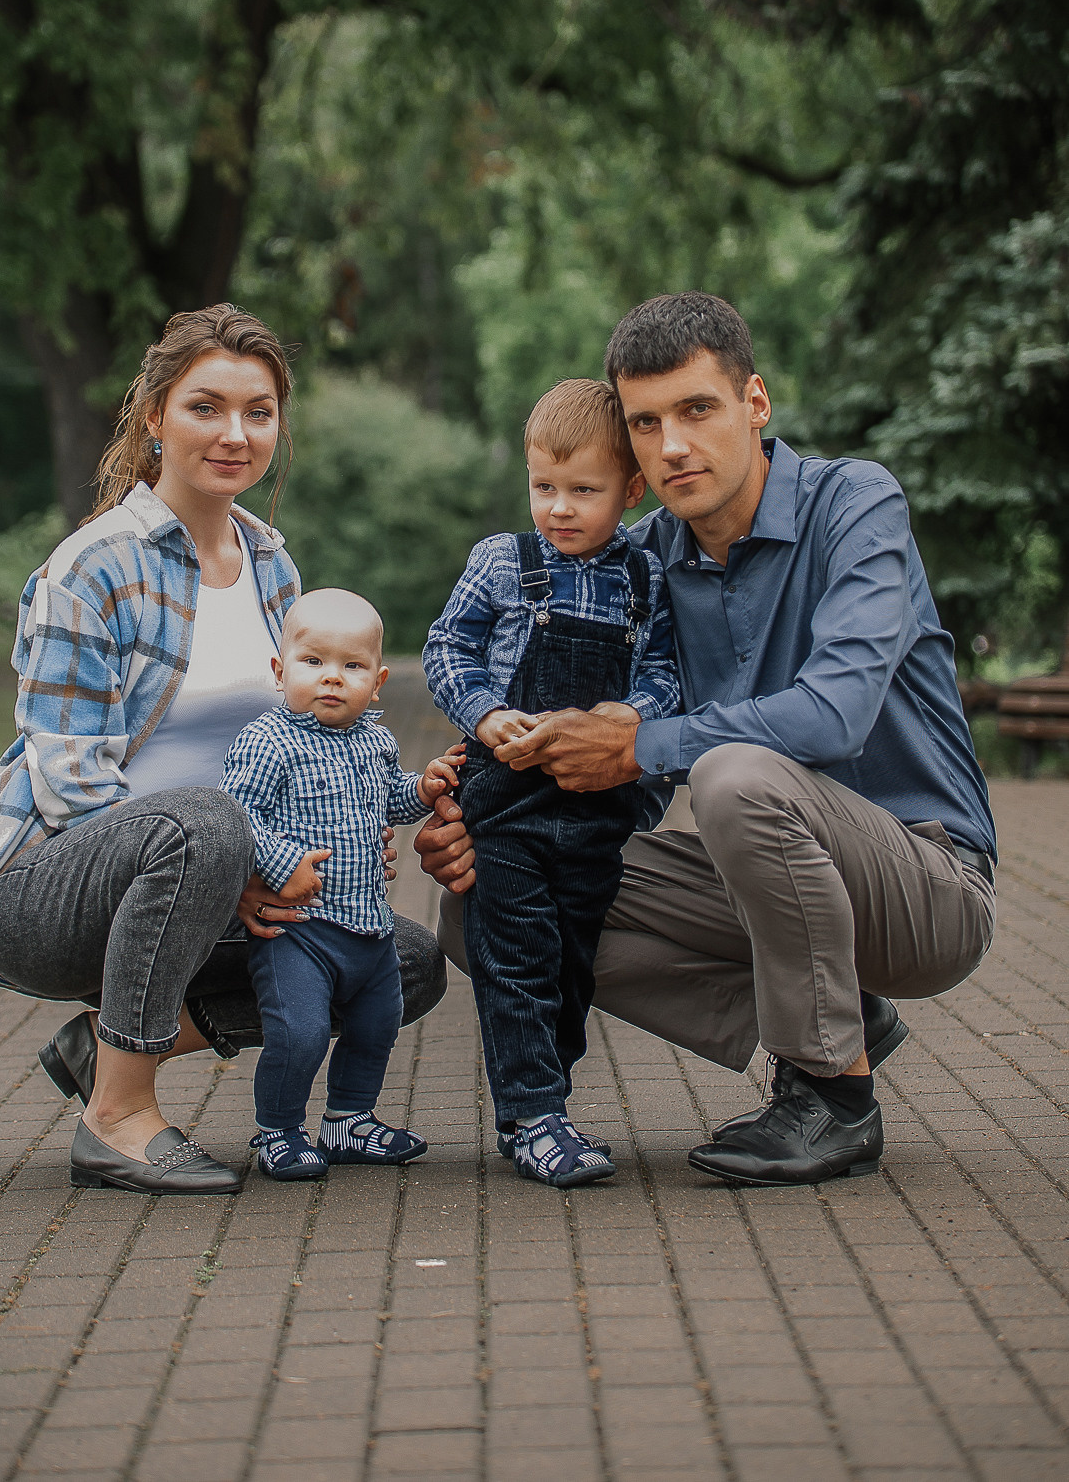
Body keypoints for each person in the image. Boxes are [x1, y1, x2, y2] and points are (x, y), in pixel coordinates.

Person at [416, 292, 996, 1189]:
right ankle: (839, 1021)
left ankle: (834, 1101)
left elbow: (832, 714)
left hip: (929, 883)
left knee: (731, 776)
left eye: (697, 410)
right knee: (494, 900)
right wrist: (481, 809)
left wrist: (641, 747)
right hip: (782, 888)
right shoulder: (640, 567)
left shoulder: (855, 505)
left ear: (754, 404)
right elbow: (620, 775)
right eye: (646, 423)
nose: (674, 444)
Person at [0, 304, 446, 1198]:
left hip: (206, 883)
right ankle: (117, 1119)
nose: (235, 433)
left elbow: (310, 741)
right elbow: (68, 782)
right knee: (209, 821)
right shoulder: (92, 568)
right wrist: (235, 860)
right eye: (206, 407)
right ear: (154, 417)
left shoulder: (273, 569)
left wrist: (341, 825)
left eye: (258, 413)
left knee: (401, 960)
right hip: (42, 889)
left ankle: (109, 1041)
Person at [422, 379, 679, 1188]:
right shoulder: (504, 561)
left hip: (597, 809)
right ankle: (535, 1115)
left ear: (630, 490)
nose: (558, 509)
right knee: (517, 955)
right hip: (505, 803)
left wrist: (625, 715)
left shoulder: (646, 578)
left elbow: (667, 678)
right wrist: (487, 711)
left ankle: (545, 1101)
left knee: (572, 963)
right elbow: (445, 649)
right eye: (543, 487)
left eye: (583, 491)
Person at [223, 589, 462, 1180]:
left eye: (351, 666)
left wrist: (423, 790)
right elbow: (234, 816)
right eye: (313, 663)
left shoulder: (374, 741)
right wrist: (282, 866)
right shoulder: (267, 741)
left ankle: (350, 1120)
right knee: (299, 1033)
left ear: (377, 682)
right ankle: (277, 1130)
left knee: (377, 1025)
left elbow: (387, 799)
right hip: (298, 931)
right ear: (280, 672)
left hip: (368, 926)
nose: (332, 678)